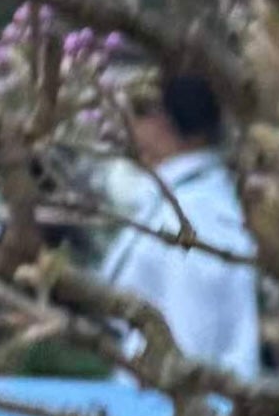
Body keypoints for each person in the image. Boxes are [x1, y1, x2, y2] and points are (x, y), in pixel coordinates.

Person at [98, 71, 262, 381]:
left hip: (177, 402)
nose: (131, 126)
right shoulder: (174, 199)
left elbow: (193, 336)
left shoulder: (198, 212)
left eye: (143, 112)